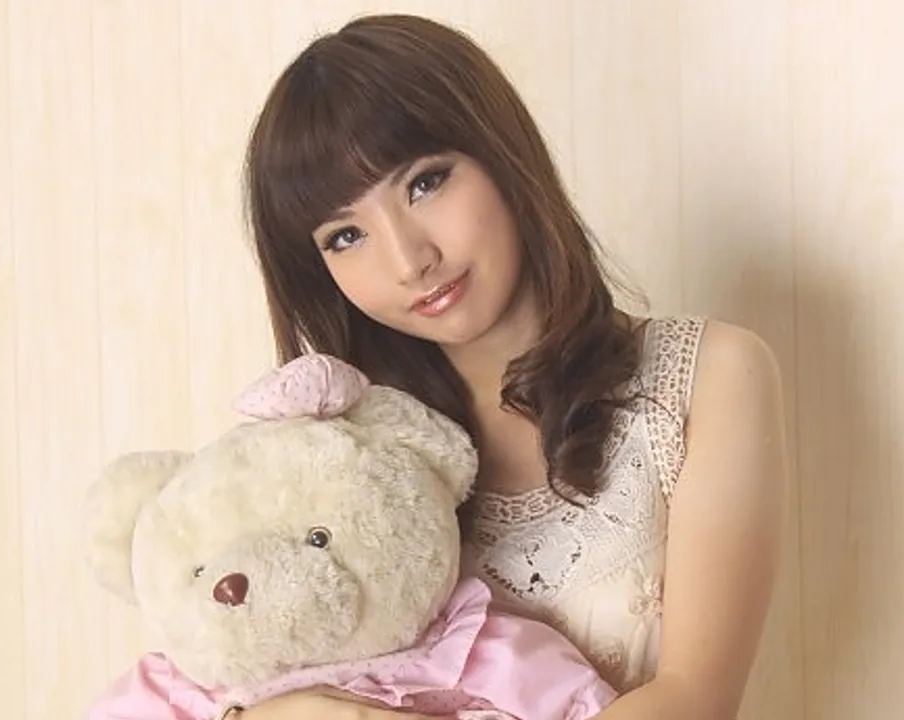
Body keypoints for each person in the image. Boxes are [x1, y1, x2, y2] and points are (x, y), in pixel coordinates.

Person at [232, 12, 788, 720]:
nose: (409, 260)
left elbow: (696, 700)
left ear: (500, 154)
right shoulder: (342, 457)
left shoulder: (708, 378)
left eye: (425, 184)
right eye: (346, 235)